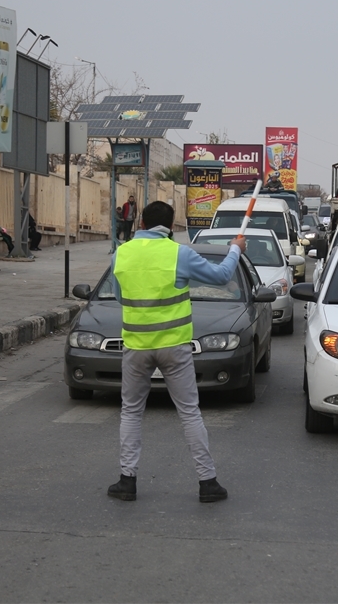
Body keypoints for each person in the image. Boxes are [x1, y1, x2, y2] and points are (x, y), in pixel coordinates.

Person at [106, 201, 247, 503]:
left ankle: (126, 481)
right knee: (189, 412)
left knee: (131, 411)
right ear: (171, 227)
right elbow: (222, 276)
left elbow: (120, 296)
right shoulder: (179, 253)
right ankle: (207, 482)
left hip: (136, 346)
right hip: (175, 347)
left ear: (141, 223)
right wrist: (235, 248)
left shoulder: (122, 253)